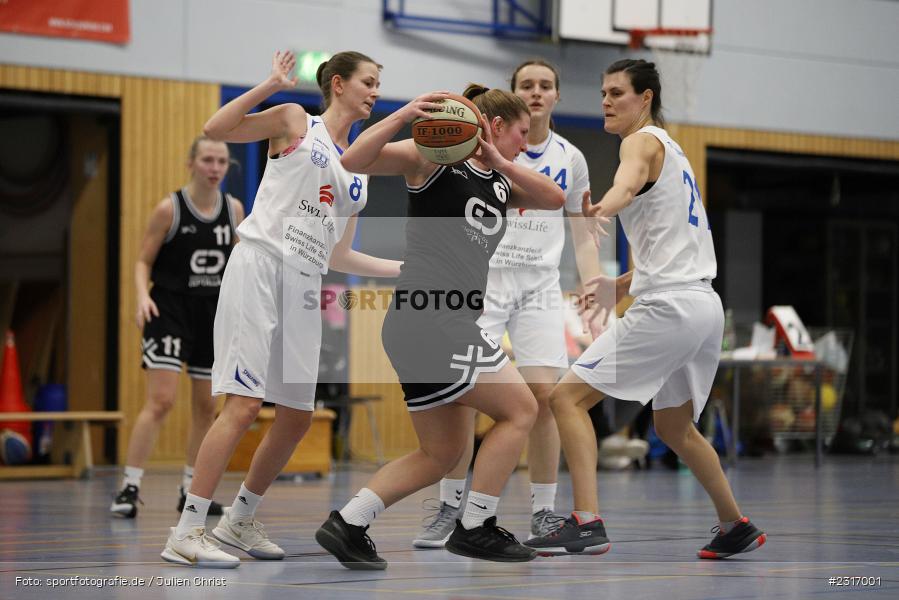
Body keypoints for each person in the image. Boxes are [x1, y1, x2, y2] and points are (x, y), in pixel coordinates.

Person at [160, 50, 402, 568]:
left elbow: (341, 253)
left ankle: (238, 521)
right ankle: (185, 530)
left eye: (379, 84)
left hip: (306, 283)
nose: (376, 91)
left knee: (296, 416)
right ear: (338, 84)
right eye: (369, 82)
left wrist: (403, 269)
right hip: (260, 266)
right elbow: (217, 126)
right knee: (243, 406)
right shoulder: (296, 121)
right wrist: (270, 82)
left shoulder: (356, 173)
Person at [315, 85, 565, 569]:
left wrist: (502, 159)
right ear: (494, 125)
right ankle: (476, 525)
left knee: (442, 452)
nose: (525, 145)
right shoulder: (432, 157)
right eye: (519, 134)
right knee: (521, 408)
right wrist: (403, 115)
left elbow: (554, 198)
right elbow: (354, 161)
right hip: (432, 315)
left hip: (431, 321)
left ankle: (349, 523)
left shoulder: (500, 181)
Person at [526, 59, 766, 559]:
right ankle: (734, 523)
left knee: (566, 399)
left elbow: (626, 184)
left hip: (670, 308)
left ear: (646, 98)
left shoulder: (639, 143)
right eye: (603, 93)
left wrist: (601, 209)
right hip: (702, 306)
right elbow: (675, 249)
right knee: (673, 427)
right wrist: (620, 283)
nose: (607, 102)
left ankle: (586, 521)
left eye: (617, 93)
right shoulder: (676, 154)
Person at [413, 59, 603, 547]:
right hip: (486, 281)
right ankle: (450, 505)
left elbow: (583, 233)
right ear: (512, 95)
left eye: (545, 85)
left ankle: (543, 513)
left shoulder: (571, 157)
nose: (536, 92)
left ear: (557, 95)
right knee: (465, 393)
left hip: (539, 285)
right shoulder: (476, 147)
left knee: (544, 398)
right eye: (526, 85)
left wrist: (594, 284)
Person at [110, 136, 243, 519]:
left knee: (207, 406)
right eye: (207, 160)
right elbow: (142, 261)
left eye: (221, 161)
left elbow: (241, 263)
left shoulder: (234, 210)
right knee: (161, 400)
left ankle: (190, 488)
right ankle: (130, 486)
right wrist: (140, 297)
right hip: (168, 308)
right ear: (191, 164)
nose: (215, 167)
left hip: (211, 313)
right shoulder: (169, 209)